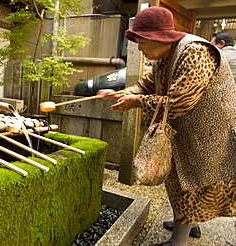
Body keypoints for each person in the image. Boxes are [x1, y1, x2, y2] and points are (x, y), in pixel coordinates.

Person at [97, 6, 236, 246]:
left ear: (156, 38)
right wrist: (120, 94)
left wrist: (136, 102)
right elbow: (145, 86)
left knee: (190, 181)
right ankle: (189, 225)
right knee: (183, 178)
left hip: (211, 130)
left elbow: (180, 102)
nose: (139, 48)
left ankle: (178, 241)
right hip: (187, 129)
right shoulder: (163, 58)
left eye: (141, 42)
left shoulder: (196, 53)